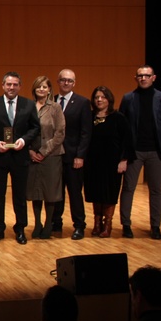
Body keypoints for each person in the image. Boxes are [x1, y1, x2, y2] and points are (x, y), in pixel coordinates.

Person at [0, 71, 40, 245]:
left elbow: (35, 128)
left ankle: (20, 228)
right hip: (0, 156)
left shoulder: (29, 105)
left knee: (19, 195)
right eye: (8, 84)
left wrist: (23, 140)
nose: (11, 87)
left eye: (15, 84)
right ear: (3, 85)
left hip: (20, 156)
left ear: (20, 86)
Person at [84, 86, 134, 238]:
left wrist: (124, 160)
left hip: (112, 163)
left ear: (109, 99)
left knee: (109, 193)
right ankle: (97, 223)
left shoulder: (118, 117)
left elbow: (127, 141)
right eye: (96, 97)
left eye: (103, 97)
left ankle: (108, 224)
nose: (99, 100)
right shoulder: (89, 116)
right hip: (93, 163)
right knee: (95, 192)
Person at [119, 65, 161, 240]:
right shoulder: (128, 98)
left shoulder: (160, 97)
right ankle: (126, 225)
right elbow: (121, 127)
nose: (143, 78)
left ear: (154, 77)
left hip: (156, 152)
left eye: (147, 75)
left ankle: (155, 226)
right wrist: (123, 155)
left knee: (156, 190)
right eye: (140, 75)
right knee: (128, 188)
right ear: (135, 78)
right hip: (134, 151)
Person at [52, 69, 92, 240]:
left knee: (75, 193)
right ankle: (56, 222)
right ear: (58, 82)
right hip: (54, 156)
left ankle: (79, 225)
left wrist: (80, 156)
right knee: (56, 192)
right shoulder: (51, 101)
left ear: (74, 83)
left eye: (69, 80)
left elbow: (86, 132)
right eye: (63, 80)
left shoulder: (82, 103)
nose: (66, 83)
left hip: (73, 156)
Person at [26, 76, 65, 239]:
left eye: (44, 87)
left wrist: (43, 151)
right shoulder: (28, 107)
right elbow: (22, 130)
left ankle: (49, 224)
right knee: (36, 191)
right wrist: (30, 151)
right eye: (38, 87)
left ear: (49, 89)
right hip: (32, 156)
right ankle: (37, 224)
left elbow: (60, 133)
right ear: (34, 89)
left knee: (50, 192)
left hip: (51, 155)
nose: (41, 89)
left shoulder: (55, 107)